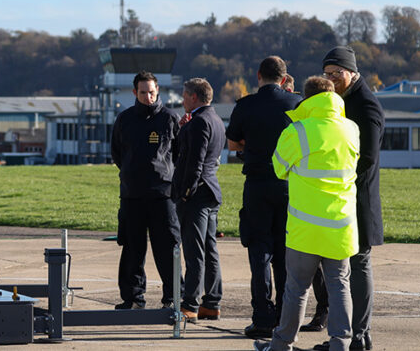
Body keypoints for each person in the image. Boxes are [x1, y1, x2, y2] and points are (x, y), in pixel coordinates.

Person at [253, 76, 360, 351]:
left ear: (307, 99)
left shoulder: (298, 130)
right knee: (340, 286)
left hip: (306, 226)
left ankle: (282, 342)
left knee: (296, 288)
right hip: (341, 225)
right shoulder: (351, 129)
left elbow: (278, 168)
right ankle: (341, 342)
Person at [311, 46, 384, 351]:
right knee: (336, 268)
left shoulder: (366, 106)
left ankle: (360, 334)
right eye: (326, 74)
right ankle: (340, 332)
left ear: (352, 73)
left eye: (336, 73)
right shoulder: (335, 102)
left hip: (357, 200)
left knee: (358, 263)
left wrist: (332, 176)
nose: (330, 79)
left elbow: (366, 157)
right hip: (336, 199)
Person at [227, 56, 302, 338]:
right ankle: (285, 316)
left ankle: (261, 317)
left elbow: (232, 142)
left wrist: (251, 144)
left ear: (258, 75)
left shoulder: (245, 104)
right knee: (285, 254)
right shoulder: (296, 104)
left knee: (259, 252)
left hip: (257, 182)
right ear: (284, 78)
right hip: (288, 184)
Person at [110, 71, 182, 309]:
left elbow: (180, 154)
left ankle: (173, 298)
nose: (148, 96)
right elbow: (117, 154)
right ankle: (132, 298)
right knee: (132, 248)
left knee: (167, 248)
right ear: (134, 93)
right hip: (132, 195)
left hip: (162, 196)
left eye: (152, 92)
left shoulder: (170, 119)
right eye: (143, 92)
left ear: (158, 90)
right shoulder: (124, 119)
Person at [172, 77, 224, 323]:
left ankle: (190, 304)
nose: (182, 100)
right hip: (211, 191)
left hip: (197, 195)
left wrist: (185, 193)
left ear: (194, 97)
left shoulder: (199, 122)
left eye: (184, 96)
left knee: (195, 252)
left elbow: (195, 162)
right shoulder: (215, 119)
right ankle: (211, 303)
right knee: (210, 249)